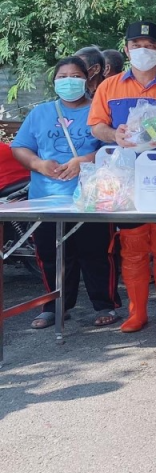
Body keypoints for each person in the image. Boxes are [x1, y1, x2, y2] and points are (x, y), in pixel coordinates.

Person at [88, 20, 156, 333]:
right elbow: (96, 126)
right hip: (124, 176)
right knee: (132, 246)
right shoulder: (109, 86)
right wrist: (114, 134)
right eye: (137, 45)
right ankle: (136, 312)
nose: (144, 50)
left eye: (150, 45)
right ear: (127, 49)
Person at [11, 57, 120, 328]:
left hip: (91, 197)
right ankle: (55, 306)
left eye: (75, 76)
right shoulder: (40, 113)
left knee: (96, 253)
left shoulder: (99, 110)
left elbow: (114, 148)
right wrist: (38, 164)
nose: (68, 81)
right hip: (45, 198)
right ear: (54, 81)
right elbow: (20, 147)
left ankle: (104, 305)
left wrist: (84, 161)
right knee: (51, 254)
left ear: (87, 78)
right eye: (62, 77)